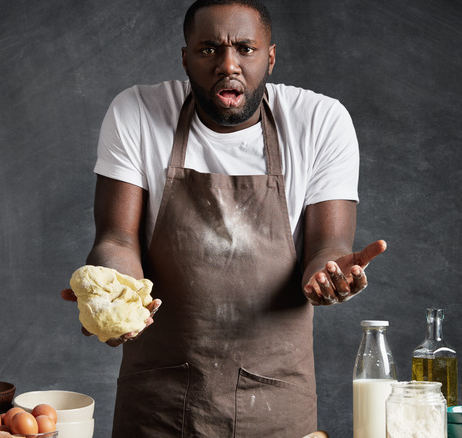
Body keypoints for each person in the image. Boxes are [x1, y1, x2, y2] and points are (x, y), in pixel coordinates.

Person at [61, 0, 387, 435]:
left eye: (246, 49)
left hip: (275, 403)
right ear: (185, 57)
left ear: (270, 56)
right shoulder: (137, 112)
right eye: (209, 49)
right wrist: (117, 294)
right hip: (158, 401)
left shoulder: (320, 122)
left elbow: (327, 248)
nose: (227, 65)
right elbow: (117, 238)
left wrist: (330, 273)